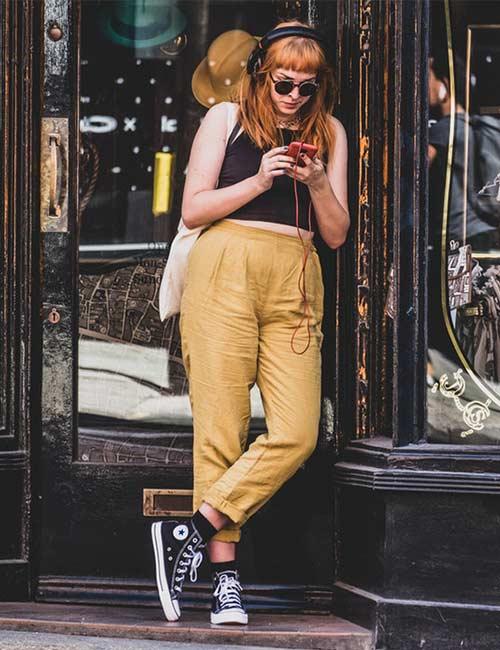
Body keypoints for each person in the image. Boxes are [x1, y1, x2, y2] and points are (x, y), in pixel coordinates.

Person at [151, 19, 350, 626]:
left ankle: (185, 533)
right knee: (222, 429)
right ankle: (225, 582)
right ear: (262, 74)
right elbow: (193, 208)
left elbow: (336, 234)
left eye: (307, 87)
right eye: (284, 83)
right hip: (225, 266)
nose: (294, 97)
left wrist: (316, 180)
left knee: (297, 431)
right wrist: (261, 177)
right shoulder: (226, 119)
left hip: (295, 275)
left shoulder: (332, 133)